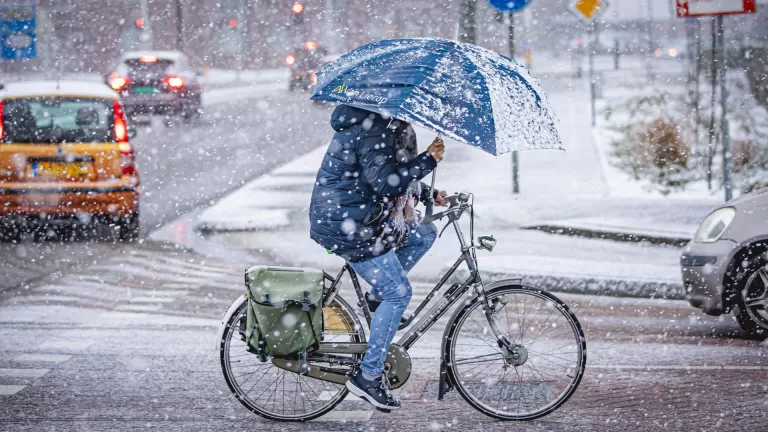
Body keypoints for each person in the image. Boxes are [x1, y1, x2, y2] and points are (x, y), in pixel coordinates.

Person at [309, 104, 446, 410]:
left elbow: (382, 174)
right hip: (347, 226)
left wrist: (425, 192)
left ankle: (374, 300)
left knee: (423, 234)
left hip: (361, 218)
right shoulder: (372, 131)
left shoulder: (379, 126)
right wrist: (427, 160)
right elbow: (384, 182)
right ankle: (367, 377)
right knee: (399, 293)